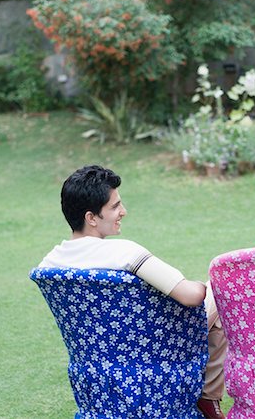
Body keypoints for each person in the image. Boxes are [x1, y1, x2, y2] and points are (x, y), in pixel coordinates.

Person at [39, 165, 226, 419]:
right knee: (219, 289)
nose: (123, 212)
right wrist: (203, 285)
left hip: (96, 363)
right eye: (115, 206)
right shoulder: (124, 253)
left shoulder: (50, 264)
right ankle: (208, 397)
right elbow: (191, 296)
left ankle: (207, 398)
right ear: (91, 217)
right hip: (158, 347)